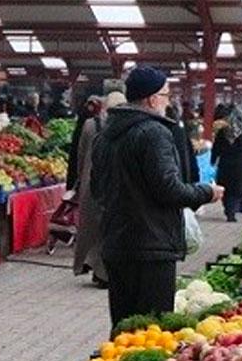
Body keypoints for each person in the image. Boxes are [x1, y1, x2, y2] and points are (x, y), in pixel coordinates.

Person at [91, 66, 222, 327]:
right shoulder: (155, 133)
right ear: (152, 99)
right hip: (151, 246)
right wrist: (206, 192)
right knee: (153, 328)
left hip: (116, 243)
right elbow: (168, 189)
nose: (168, 100)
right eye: (165, 94)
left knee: (124, 326)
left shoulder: (106, 134)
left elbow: (96, 189)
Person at [69, 92, 124, 285]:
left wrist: (78, 181)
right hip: (115, 183)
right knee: (109, 228)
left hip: (90, 182)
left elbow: (80, 155)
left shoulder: (90, 125)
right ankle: (103, 272)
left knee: (92, 227)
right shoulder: (126, 127)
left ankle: (93, 266)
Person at [211, 108, 242, 222]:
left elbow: (216, 148)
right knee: (238, 190)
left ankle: (229, 210)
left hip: (225, 163)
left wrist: (213, 160)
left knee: (226, 188)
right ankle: (233, 211)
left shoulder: (223, 131)